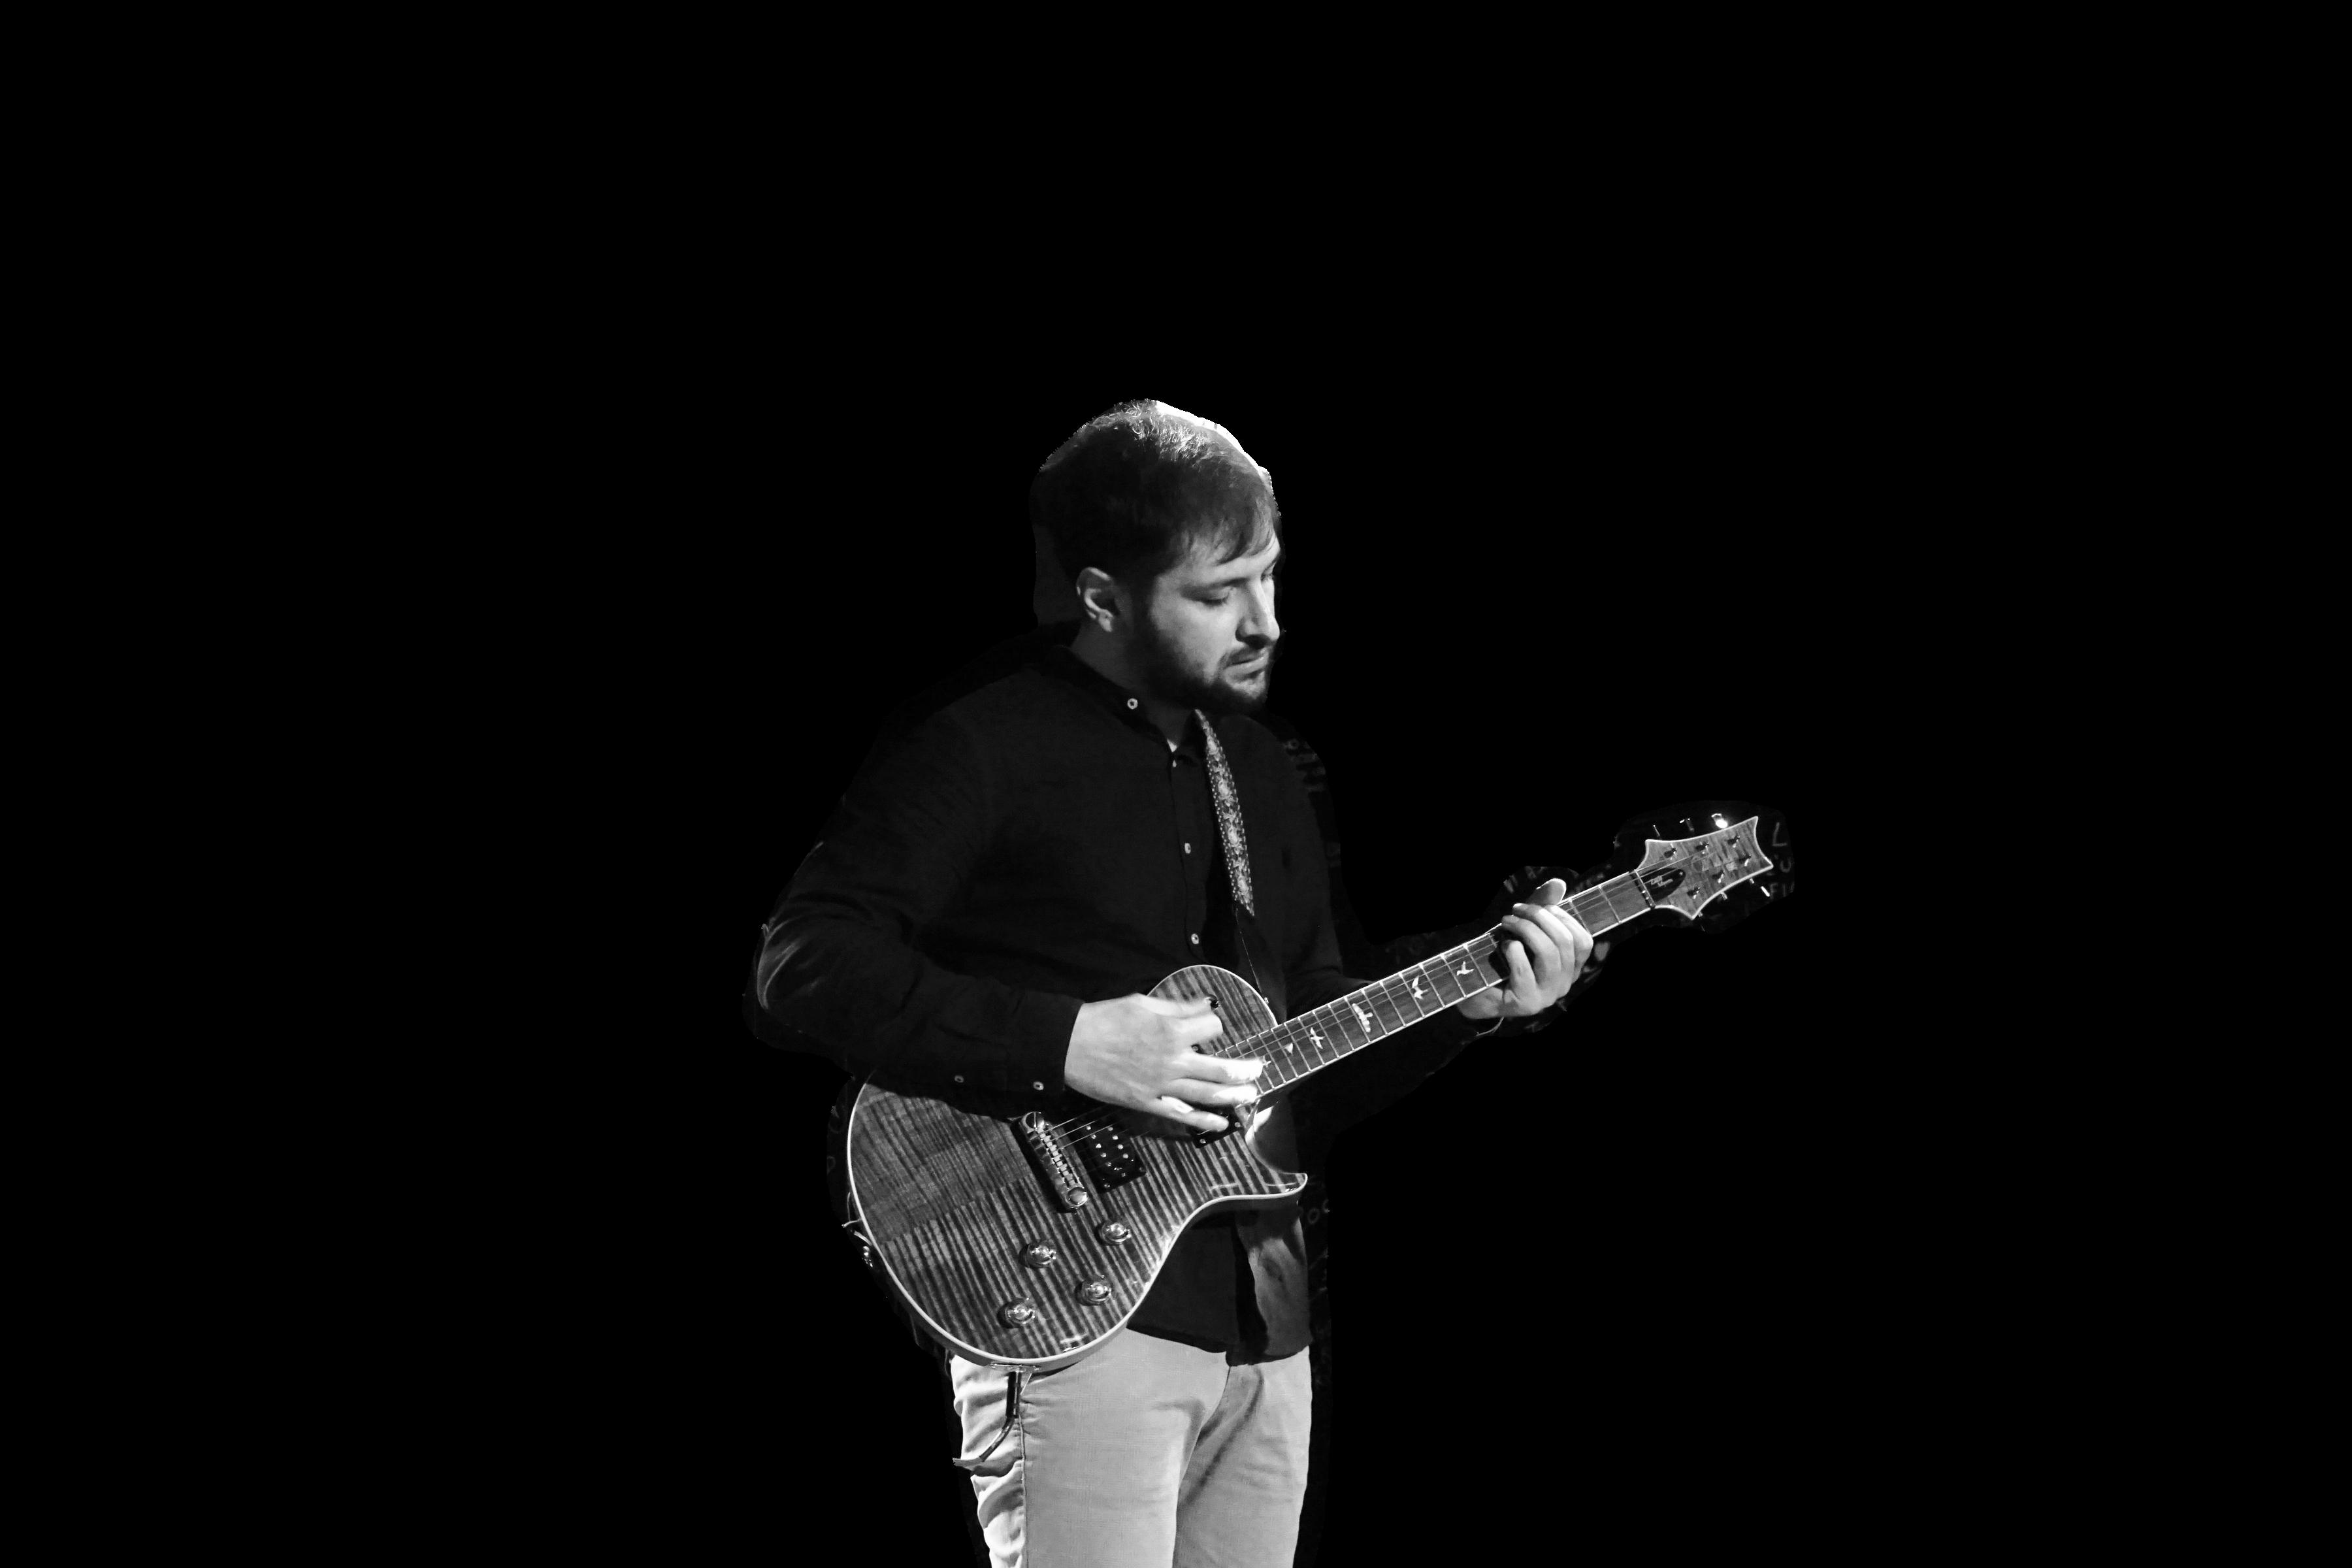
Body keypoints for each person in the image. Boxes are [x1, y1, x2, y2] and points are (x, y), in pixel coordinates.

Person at [747, 401, 1593, 1567]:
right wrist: (1070, 1042)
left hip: (1265, 1326)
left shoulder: (1262, 769)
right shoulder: (984, 747)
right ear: (1104, 598)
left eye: (1271, 576)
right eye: (1219, 593)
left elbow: (1307, 1046)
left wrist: (1472, 1007)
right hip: (1073, 1312)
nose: (1266, 621)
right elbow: (804, 963)